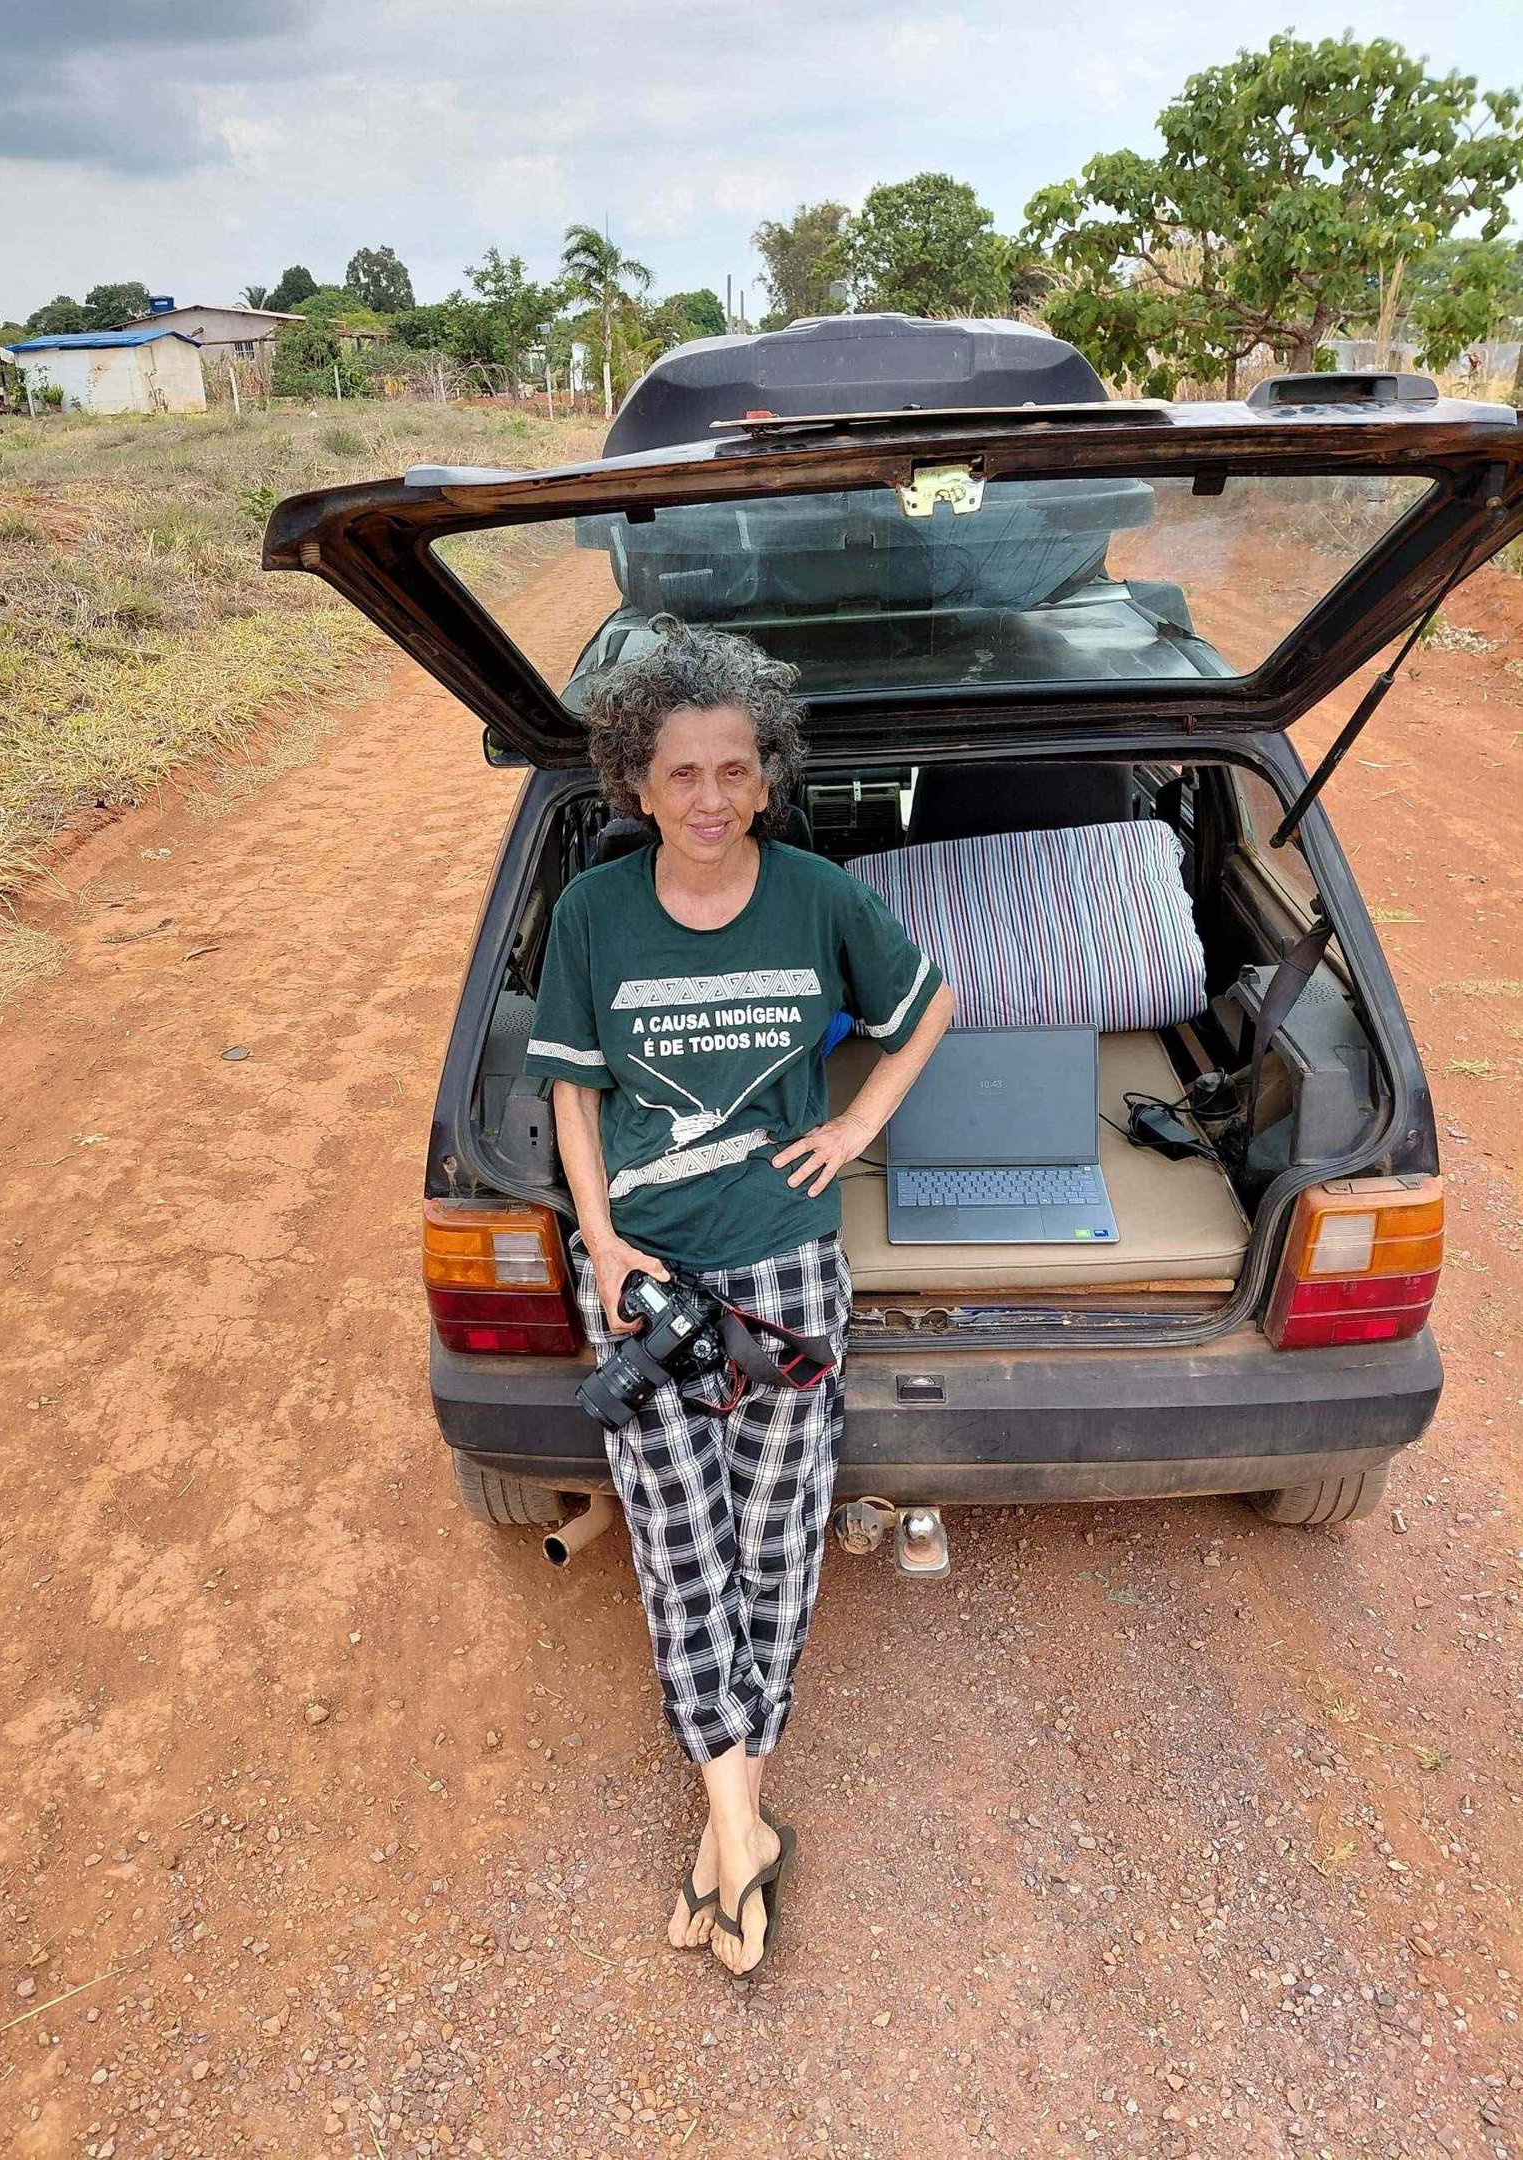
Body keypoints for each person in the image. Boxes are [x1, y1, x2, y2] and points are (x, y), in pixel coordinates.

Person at [525, 617, 953, 1976]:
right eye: (681, 773)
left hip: (784, 1270)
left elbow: (926, 1006)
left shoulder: (820, 897)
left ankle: (732, 1833)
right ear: (637, 786)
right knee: (678, 1550)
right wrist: (601, 1243)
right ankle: (739, 1823)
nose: (709, 796)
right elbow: (573, 1093)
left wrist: (857, 1125)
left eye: (732, 769)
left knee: (774, 1539)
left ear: (767, 779)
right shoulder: (594, 914)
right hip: (647, 1280)